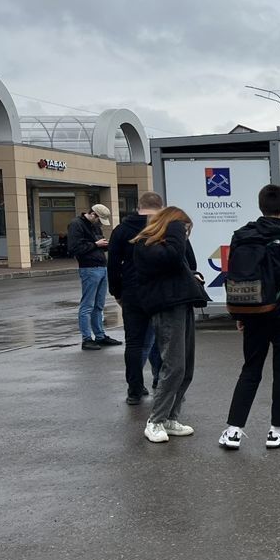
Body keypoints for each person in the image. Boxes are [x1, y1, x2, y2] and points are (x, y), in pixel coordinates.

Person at [218, 184, 280, 451]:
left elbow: (233, 275)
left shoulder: (242, 235)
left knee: (250, 368)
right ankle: (277, 432)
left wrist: (241, 311)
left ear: (261, 206)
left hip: (253, 312)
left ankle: (233, 431)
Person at [131, 206, 204, 444]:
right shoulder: (146, 244)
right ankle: (155, 421)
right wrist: (176, 227)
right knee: (173, 366)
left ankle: (170, 418)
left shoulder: (164, 243)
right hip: (166, 307)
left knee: (185, 367)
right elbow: (172, 258)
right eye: (184, 228)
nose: (185, 234)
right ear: (171, 224)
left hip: (181, 303)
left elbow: (182, 261)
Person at [108, 190, 168, 405]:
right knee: (163, 340)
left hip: (132, 292)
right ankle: (161, 382)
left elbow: (113, 265)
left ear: (138, 207)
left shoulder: (121, 230)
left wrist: (116, 292)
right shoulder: (163, 228)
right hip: (159, 292)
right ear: (160, 207)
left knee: (134, 343)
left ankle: (134, 390)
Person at [69, 203, 121, 351]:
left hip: (101, 267)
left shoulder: (94, 226)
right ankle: (87, 338)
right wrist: (96, 244)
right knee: (88, 305)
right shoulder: (76, 225)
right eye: (99, 220)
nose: (99, 223)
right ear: (93, 214)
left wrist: (105, 245)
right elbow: (74, 248)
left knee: (99, 305)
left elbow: (96, 244)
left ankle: (100, 335)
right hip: (89, 268)